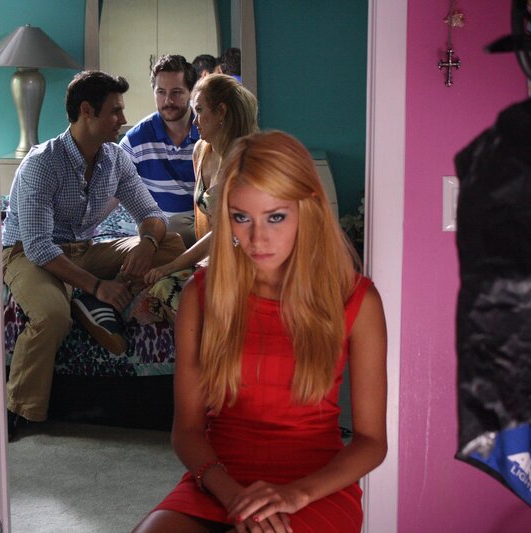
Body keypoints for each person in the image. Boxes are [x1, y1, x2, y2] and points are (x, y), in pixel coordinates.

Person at [133, 131, 388, 532]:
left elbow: (372, 442)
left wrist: (294, 495)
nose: (257, 238)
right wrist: (233, 496)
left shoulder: (357, 300)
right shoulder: (201, 296)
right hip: (218, 479)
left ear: (309, 208)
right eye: (241, 218)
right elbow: (186, 431)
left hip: (314, 487)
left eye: (275, 217)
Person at [2, 71, 185, 438]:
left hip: (85, 250)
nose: (122, 119)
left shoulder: (115, 159)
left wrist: (146, 244)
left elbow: (152, 216)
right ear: (87, 111)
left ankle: (88, 299)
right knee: (53, 317)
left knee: (171, 245)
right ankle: (17, 410)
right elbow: (38, 246)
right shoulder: (42, 163)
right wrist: (98, 286)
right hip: (30, 254)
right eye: (115, 111)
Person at [141, 74, 258, 321]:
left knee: (169, 286)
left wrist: (174, 265)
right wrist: (197, 263)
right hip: (215, 256)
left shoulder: (245, 162)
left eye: (200, 111)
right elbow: (202, 220)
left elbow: (226, 231)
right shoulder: (201, 151)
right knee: (159, 288)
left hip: (246, 260)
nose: (194, 121)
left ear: (221, 112)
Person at [120, 55, 200, 247]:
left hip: (201, 227)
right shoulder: (135, 140)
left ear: (191, 92)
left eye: (176, 92)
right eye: (161, 92)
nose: (168, 100)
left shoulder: (207, 133)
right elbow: (111, 189)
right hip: (156, 230)